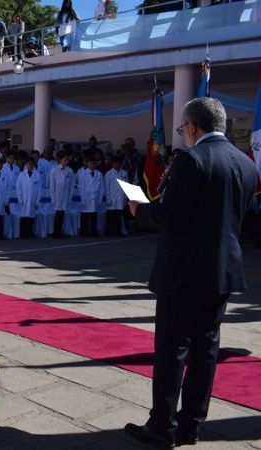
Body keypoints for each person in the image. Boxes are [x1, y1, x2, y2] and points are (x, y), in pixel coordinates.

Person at [124, 98, 259, 448]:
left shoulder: (192, 159)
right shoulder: (246, 164)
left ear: (194, 127)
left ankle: (162, 426)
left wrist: (140, 210)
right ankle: (191, 425)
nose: (183, 134)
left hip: (184, 272)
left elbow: (171, 216)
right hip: (222, 270)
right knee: (205, 351)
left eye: (183, 127)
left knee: (173, 350)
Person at [75, 156, 103, 237]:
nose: (92, 165)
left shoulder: (99, 174)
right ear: (87, 164)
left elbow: (102, 187)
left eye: (93, 163)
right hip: (86, 197)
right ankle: (83, 231)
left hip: (95, 197)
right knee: (85, 215)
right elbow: (81, 187)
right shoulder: (83, 174)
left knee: (94, 215)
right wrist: (82, 199)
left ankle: (93, 232)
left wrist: (100, 197)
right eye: (90, 163)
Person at [49, 152, 74, 238]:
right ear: (60, 160)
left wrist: (70, 197)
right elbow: (52, 186)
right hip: (57, 196)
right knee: (58, 214)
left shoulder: (70, 171)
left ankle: (59, 231)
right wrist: (53, 198)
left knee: (62, 213)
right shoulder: (54, 170)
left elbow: (71, 185)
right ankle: (55, 232)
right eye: (65, 160)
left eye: (67, 160)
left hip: (65, 196)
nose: (67, 161)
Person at [16, 158, 40, 239]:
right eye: (29, 164)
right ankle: (23, 234)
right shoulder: (22, 174)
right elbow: (18, 187)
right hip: (24, 199)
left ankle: (29, 233)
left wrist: (37, 201)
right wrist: (20, 199)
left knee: (31, 217)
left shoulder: (37, 175)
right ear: (26, 164)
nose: (30, 165)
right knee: (24, 217)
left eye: (32, 164)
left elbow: (40, 189)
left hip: (33, 199)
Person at [104, 156, 128, 236]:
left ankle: (117, 231)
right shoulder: (108, 174)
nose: (117, 165)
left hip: (121, 197)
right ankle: (108, 231)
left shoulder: (124, 173)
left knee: (118, 215)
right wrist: (108, 198)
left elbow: (126, 186)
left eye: (118, 163)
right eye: (115, 163)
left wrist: (125, 198)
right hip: (112, 197)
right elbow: (106, 187)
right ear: (112, 164)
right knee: (110, 215)